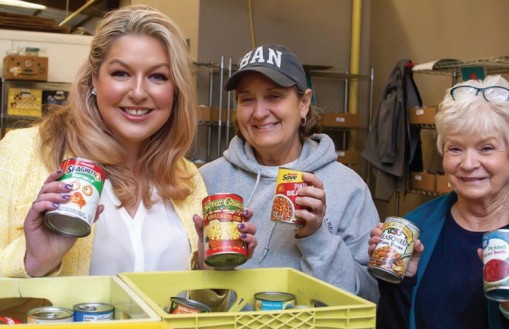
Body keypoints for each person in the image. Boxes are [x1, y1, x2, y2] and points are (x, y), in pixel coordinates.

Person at [0, 5, 256, 278]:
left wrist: (208, 270)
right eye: (121, 73)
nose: (137, 93)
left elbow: (195, 305)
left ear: (175, 90)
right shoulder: (22, 151)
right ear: (94, 80)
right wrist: (34, 260)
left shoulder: (186, 177)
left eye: (157, 76)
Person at [199, 43, 380, 303]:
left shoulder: (348, 187)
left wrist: (317, 237)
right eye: (247, 99)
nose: (260, 113)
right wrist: (206, 267)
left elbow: (368, 300)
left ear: (304, 103)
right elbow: (184, 293)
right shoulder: (209, 179)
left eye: (274, 96)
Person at [371, 75, 509, 329]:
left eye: (486, 148)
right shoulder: (419, 226)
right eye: (455, 148)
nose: (468, 163)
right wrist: (398, 281)